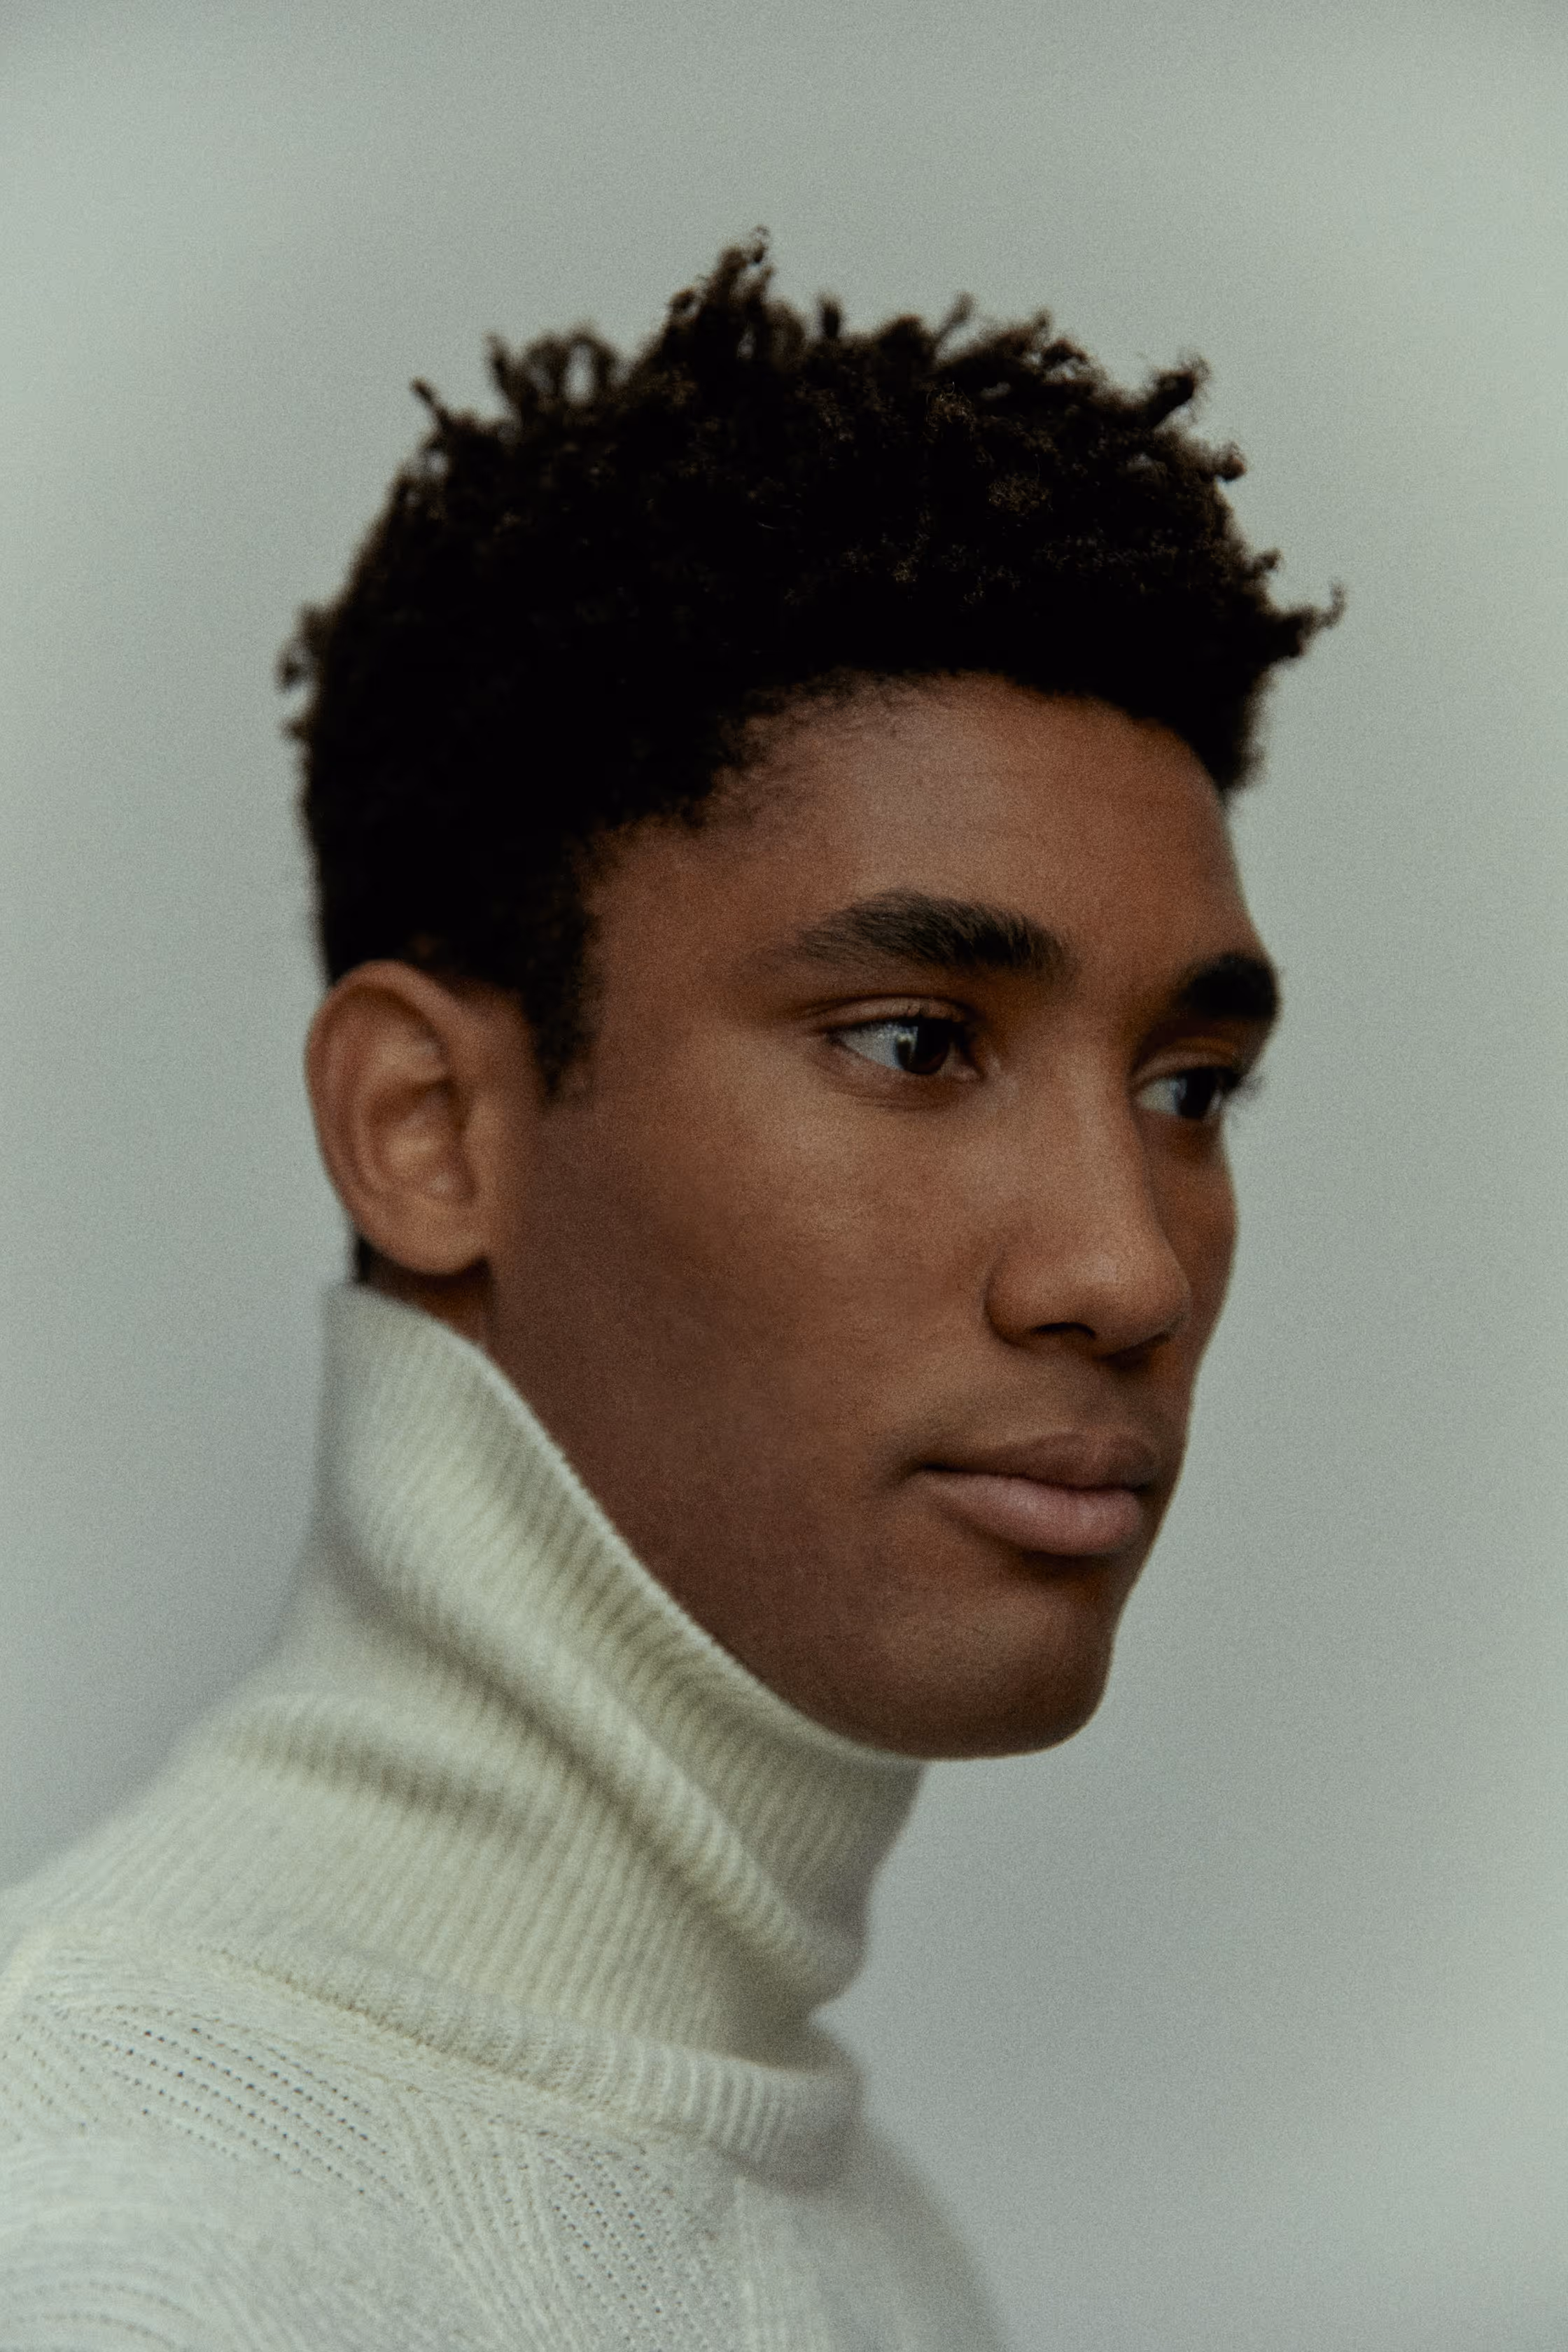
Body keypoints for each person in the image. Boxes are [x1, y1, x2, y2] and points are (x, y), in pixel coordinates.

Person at [0, 239, 1334, 2348]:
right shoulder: (117, 2240)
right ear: (428, 1130)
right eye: (916, 1043)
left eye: (1190, 1087)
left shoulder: (858, 2235)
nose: (1130, 1268)